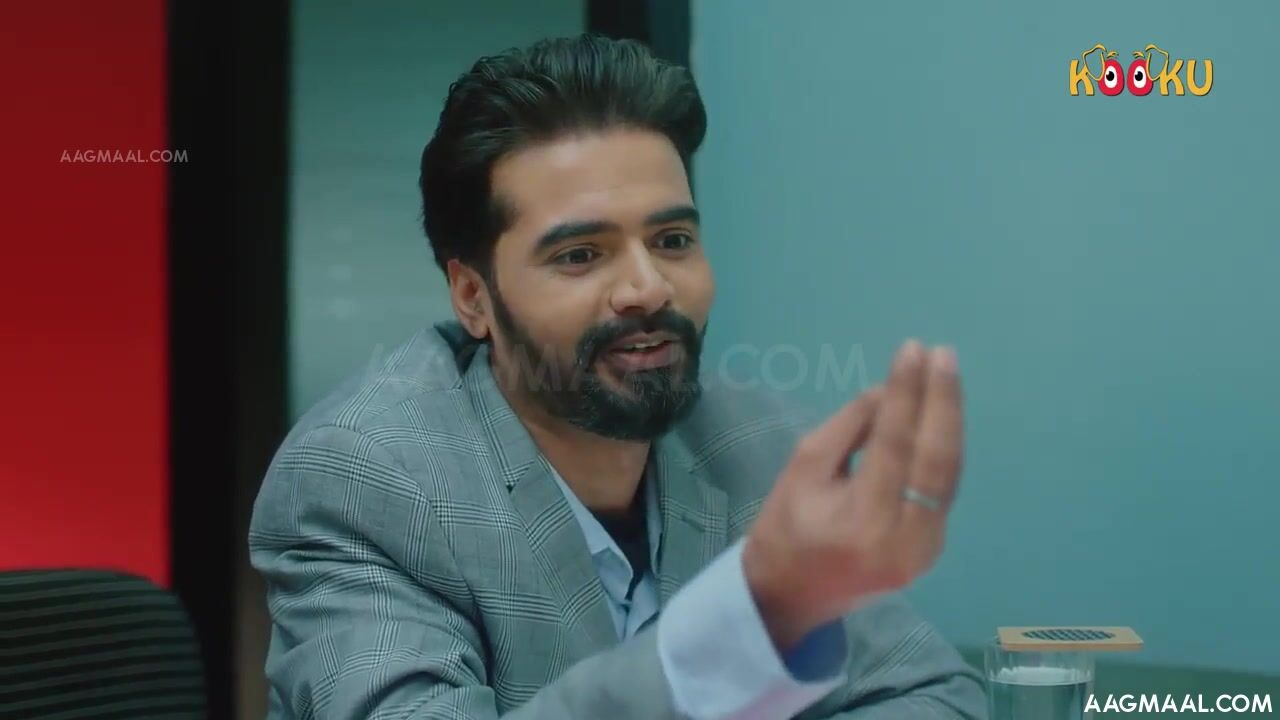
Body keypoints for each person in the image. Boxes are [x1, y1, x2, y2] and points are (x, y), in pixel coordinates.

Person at [250, 33, 985, 720]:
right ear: (473, 297)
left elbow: (932, 697)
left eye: (673, 240)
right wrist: (753, 617)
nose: (648, 288)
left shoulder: (758, 443)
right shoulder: (366, 481)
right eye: (580, 255)